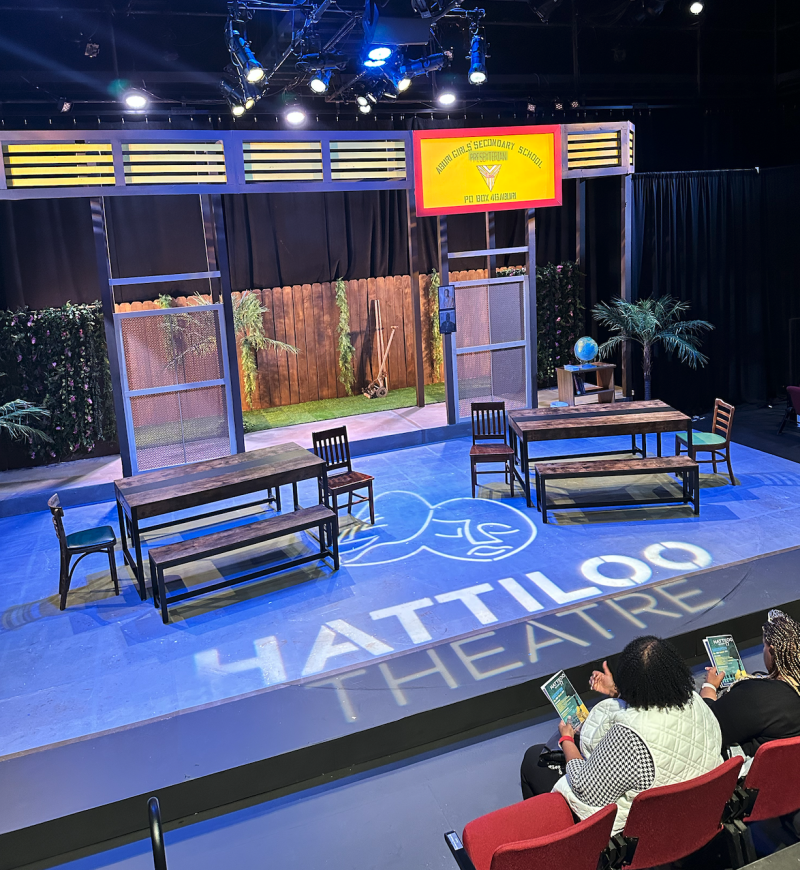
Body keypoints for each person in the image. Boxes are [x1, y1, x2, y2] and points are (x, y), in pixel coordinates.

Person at [520, 636, 722, 834]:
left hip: (649, 832)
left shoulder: (631, 736)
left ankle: (547, 840)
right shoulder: (696, 701)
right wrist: (618, 692)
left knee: (533, 759)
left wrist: (567, 740)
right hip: (699, 812)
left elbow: (584, 789)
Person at [701, 609, 800, 769]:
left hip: (756, 775)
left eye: (763, 646)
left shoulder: (757, 697)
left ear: (771, 650)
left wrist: (709, 688)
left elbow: (709, 728)